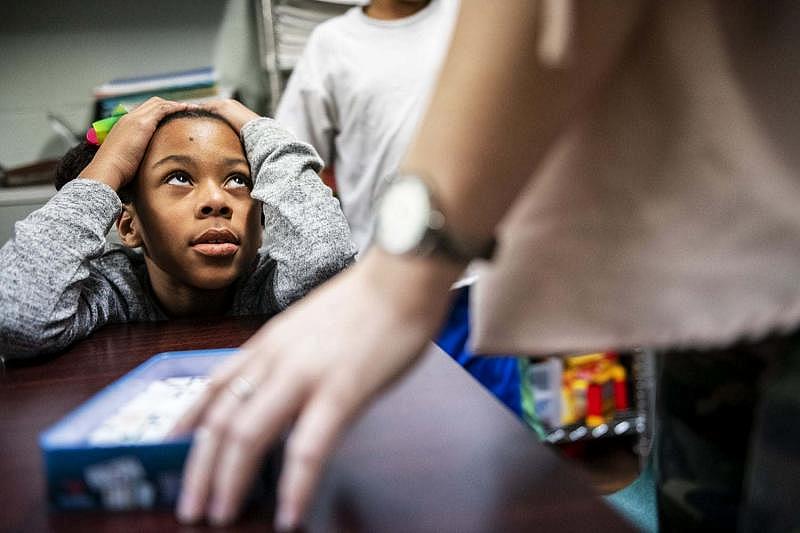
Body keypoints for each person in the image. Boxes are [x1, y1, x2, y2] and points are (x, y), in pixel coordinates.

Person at [177, 1, 800, 531]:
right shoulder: (332, 45)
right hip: (719, 274)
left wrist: (400, 278)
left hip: (474, 273)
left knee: (506, 439)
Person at [276, 0, 532, 424]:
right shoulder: (332, 45)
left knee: (495, 432)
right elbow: (291, 152)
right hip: (383, 287)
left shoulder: (470, 20)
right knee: (406, 432)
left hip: (475, 284)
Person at [0, 97, 356, 358]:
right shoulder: (112, 291)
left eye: (237, 180)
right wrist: (107, 168)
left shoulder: (272, 287)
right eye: (180, 177)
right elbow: (17, 316)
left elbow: (327, 260)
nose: (217, 200)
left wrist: (263, 132)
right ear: (129, 225)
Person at [274, 0, 459, 254]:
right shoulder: (332, 43)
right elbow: (291, 158)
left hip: (476, 260)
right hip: (379, 261)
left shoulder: (468, 19)